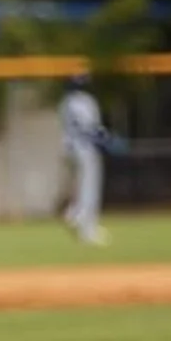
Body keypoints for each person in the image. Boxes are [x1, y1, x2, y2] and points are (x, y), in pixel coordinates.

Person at [59, 72, 123, 247]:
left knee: (78, 185)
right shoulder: (85, 101)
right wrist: (108, 140)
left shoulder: (65, 103)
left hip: (69, 149)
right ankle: (86, 228)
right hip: (85, 149)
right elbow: (91, 129)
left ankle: (74, 213)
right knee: (89, 188)